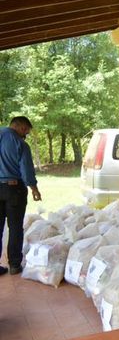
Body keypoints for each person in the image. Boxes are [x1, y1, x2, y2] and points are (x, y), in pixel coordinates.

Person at [0, 116, 42, 276]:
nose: (25, 135)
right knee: (15, 227)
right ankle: (15, 265)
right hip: (13, 190)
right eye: (26, 131)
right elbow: (26, 171)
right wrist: (34, 189)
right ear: (20, 127)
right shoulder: (20, 144)